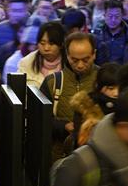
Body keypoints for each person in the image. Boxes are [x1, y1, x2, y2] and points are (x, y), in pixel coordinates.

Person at [40, 32, 99, 160]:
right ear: (67, 55)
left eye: (86, 59)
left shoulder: (104, 80)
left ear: (94, 54)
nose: (80, 65)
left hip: (97, 153)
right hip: (60, 155)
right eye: (74, 60)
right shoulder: (53, 82)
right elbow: (40, 119)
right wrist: (63, 126)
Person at [93, 0, 128, 66]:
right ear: (104, 16)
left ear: (122, 16)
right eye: (110, 16)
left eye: (116, 16)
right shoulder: (96, 36)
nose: (113, 20)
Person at [17, 21, 64, 88]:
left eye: (51, 44)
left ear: (61, 45)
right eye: (42, 43)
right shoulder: (26, 63)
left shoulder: (70, 63)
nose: (46, 48)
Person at [0, 0, 31, 69]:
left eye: (20, 11)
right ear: (8, 11)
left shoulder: (32, 29)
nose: (16, 15)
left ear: (26, 11)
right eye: (13, 11)